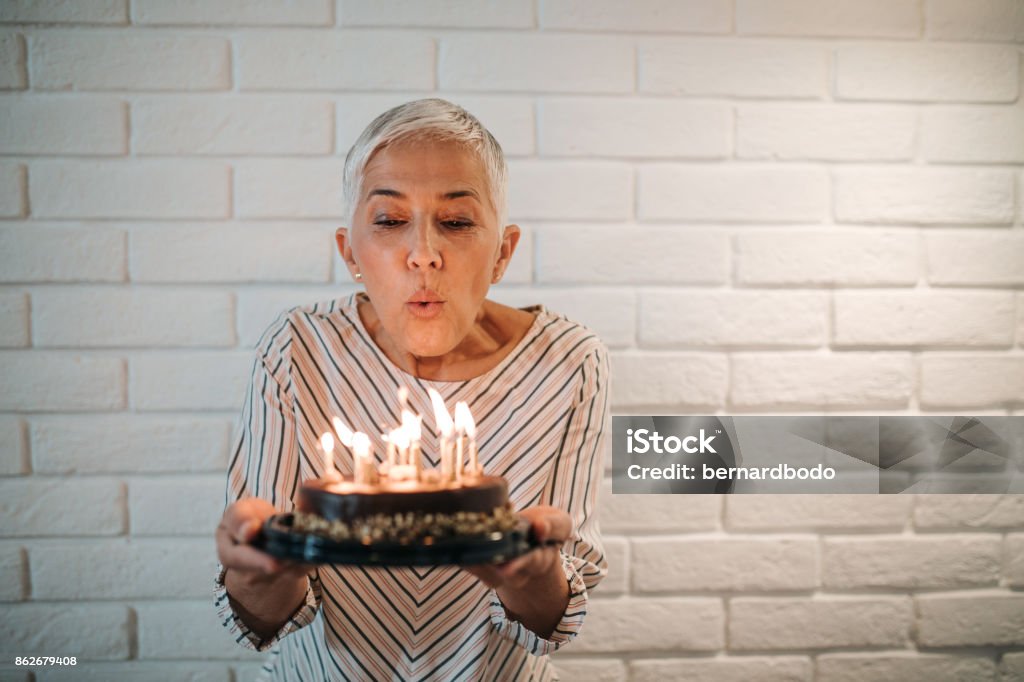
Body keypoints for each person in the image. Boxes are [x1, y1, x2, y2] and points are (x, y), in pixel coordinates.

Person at [214, 98, 609, 681]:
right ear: (350, 252)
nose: (424, 253)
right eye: (390, 220)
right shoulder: (297, 349)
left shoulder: (569, 361)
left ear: (503, 252)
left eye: (455, 222)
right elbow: (258, 619)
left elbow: (556, 618)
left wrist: (534, 577)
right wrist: (257, 573)